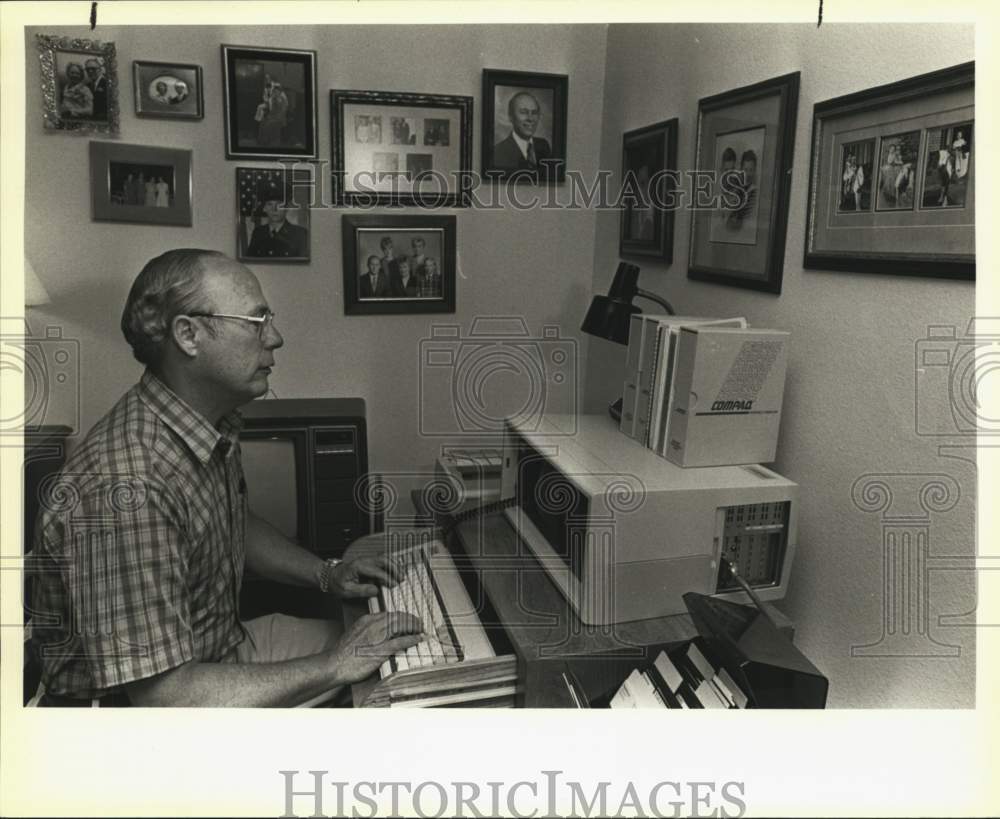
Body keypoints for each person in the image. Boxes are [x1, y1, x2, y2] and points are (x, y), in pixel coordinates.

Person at [30, 249, 423, 707]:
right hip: (141, 714)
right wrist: (337, 663)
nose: (275, 338)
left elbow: (231, 523)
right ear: (188, 335)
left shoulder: (202, 419)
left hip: (216, 653)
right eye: (256, 322)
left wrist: (327, 575)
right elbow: (167, 699)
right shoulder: (128, 483)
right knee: (386, 692)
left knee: (409, 650)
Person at [491, 91, 553, 172]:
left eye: (534, 113)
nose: (530, 118)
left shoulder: (544, 145)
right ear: (511, 116)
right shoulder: (498, 152)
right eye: (524, 112)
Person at [257, 78, 288, 148]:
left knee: (269, 123)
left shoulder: (282, 99)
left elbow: (282, 111)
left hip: (280, 117)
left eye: (277, 91)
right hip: (273, 115)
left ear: (280, 91)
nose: (275, 92)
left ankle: (269, 141)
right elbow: (271, 107)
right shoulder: (274, 98)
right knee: (262, 122)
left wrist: (274, 117)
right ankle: (263, 141)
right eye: (274, 91)